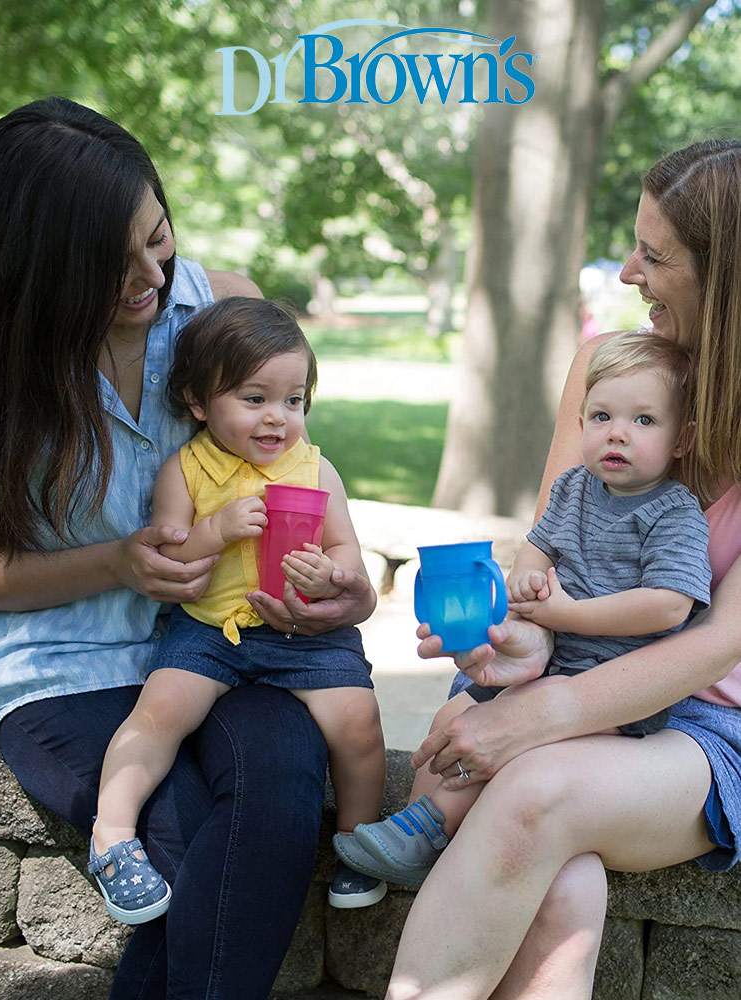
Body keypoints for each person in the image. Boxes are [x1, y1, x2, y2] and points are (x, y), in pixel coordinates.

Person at [0, 97, 376, 1000]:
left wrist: (346, 593)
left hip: (227, 640)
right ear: (36, 268)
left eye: (155, 237)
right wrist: (118, 562)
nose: (147, 276)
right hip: (63, 663)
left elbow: (306, 480)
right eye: (108, 261)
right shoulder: (7, 370)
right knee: (179, 845)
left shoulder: (221, 309)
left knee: (283, 787)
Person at [378, 138, 741, 1000]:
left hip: (707, 727)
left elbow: (721, 640)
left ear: (724, 275)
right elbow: (550, 567)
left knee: (533, 792)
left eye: (654, 255)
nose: (626, 272)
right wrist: (510, 648)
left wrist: (541, 717)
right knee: (556, 880)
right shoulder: (608, 370)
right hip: (575, 676)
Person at [334, 331, 712, 886]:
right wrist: (525, 587)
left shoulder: (673, 513)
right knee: (451, 718)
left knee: (506, 747)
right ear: (580, 424)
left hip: (613, 692)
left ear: (682, 440)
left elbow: (668, 606)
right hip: (549, 662)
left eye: (645, 421)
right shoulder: (575, 489)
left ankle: (429, 827)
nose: (618, 434)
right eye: (602, 416)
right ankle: (409, 841)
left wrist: (563, 615)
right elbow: (537, 551)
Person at [90, 296, 387, 919]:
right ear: (199, 403)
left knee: (357, 724)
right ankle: (112, 837)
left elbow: (348, 552)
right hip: (211, 630)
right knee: (159, 713)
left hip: (307, 635)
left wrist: (332, 575)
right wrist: (216, 529)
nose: (277, 419)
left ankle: (359, 844)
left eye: (294, 401)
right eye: (254, 399)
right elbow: (174, 560)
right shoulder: (188, 470)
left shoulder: (316, 470)